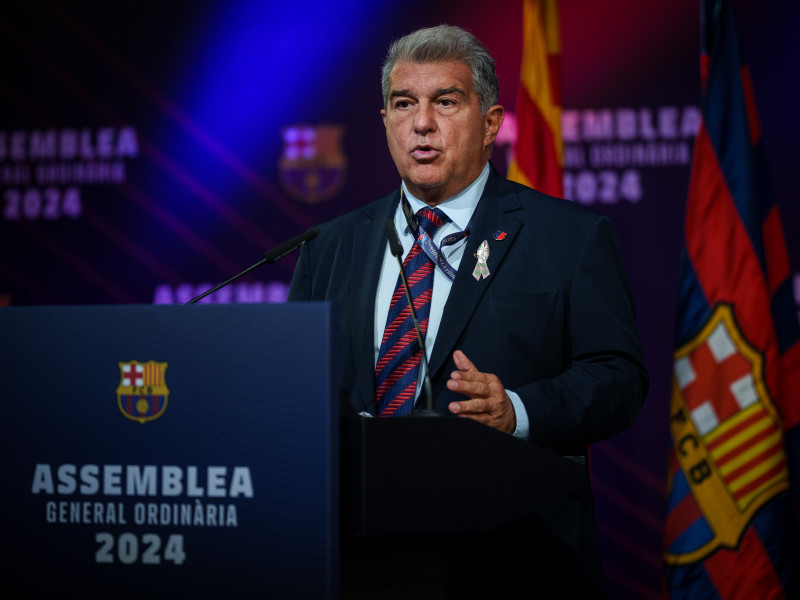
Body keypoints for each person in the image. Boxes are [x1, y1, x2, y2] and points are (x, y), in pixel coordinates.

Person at [289, 24, 648, 598]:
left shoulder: (568, 237)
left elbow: (618, 377)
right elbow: (296, 386)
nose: (422, 122)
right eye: (403, 103)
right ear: (385, 121)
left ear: (491, 123)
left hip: (512, 558)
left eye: (446, 102)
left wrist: (517, 410)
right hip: (356, 555)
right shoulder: (330, 245)